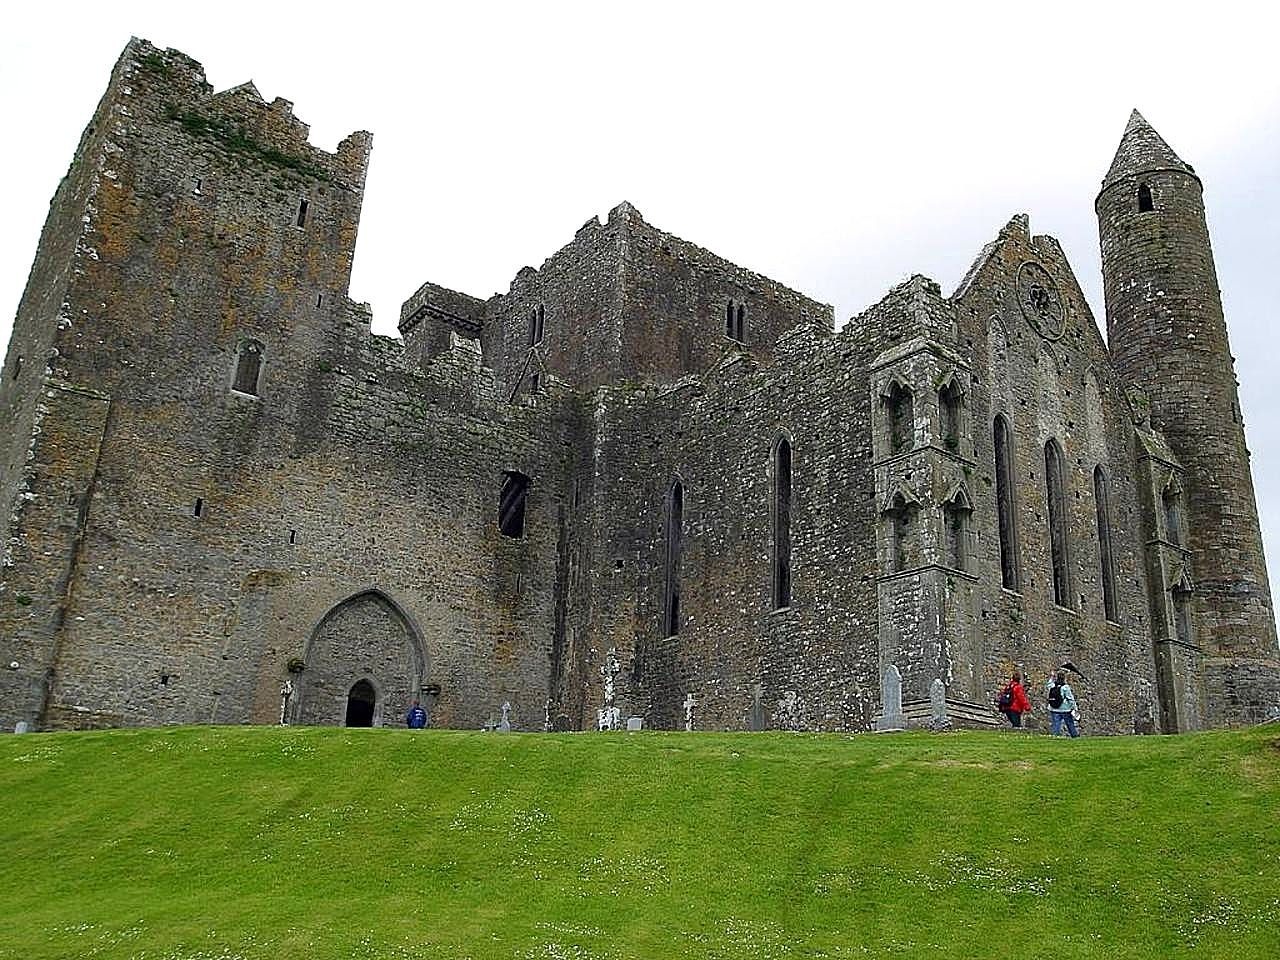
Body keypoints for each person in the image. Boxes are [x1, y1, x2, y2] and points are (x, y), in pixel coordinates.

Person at [1046, 670, 1079, 737]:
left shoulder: (1052, 685)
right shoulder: (1065, 687)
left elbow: (1048, 684)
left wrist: (1052, 677)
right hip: (1065, 709)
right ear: (1064, 678)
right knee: (1069, 723)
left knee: (1056, 724)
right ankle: (1074, 735)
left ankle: (1055, 736)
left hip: (1053, 708)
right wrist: (1075, 708)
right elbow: (1070, 698)